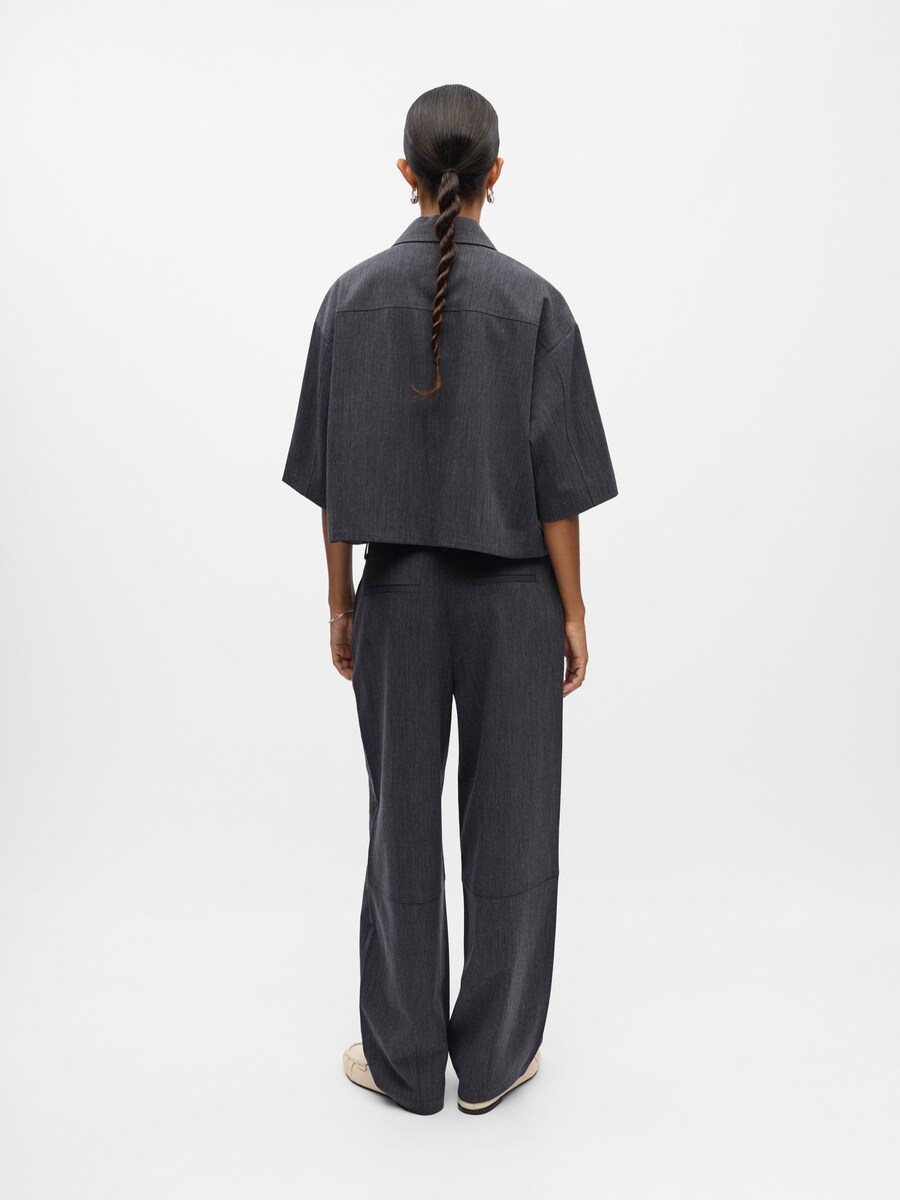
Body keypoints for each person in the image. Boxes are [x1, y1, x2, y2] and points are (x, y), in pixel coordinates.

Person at [282, 83, 618, 1116]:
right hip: (514, 602)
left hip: (399, 599)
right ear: (496, 175)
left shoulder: (348, 301)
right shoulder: (536, 304)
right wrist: (573, 611)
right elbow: (558, 491)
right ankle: (496, 1058)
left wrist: (341, 603)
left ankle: (405, 1062)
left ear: (406, 174)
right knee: (514, 826)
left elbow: (334, 482)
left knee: (400, 827)